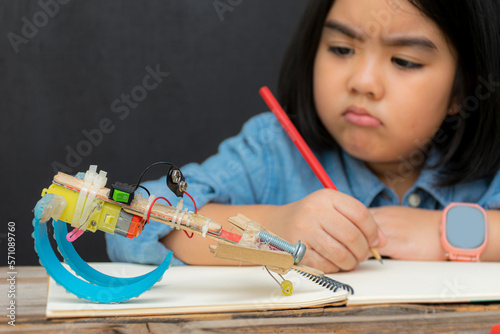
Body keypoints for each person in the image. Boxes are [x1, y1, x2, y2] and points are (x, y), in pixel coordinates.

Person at [106, 0, 500, 273]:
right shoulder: (273, 149)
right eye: (342, 49)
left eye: (404, 61)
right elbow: (128, 220)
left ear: (461, 90)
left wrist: (443, 234)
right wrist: (272, 230)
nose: (363, 82)